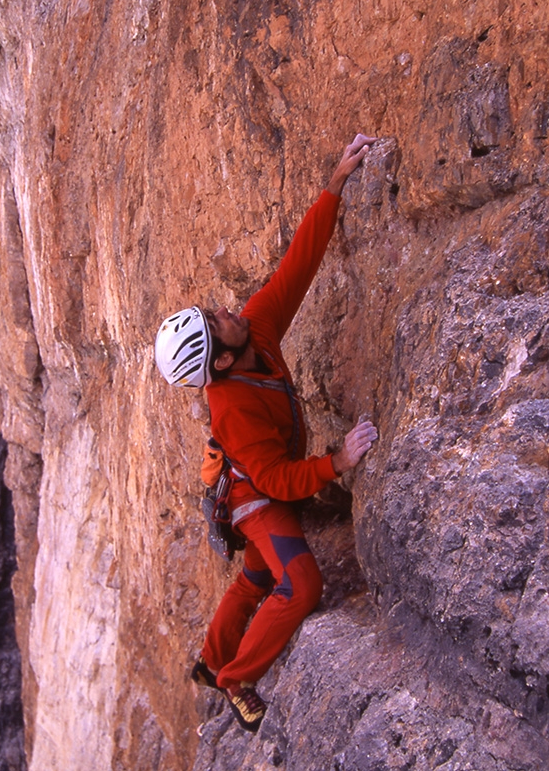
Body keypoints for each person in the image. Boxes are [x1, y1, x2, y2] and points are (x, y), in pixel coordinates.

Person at [155, 135, 379, 733]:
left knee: (257, 575)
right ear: (219, 363)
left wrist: (335, 181)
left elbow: (297, 267)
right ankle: (236, 678)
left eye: (215, 311)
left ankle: (209, 660)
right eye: (215, 321)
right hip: (254, 497)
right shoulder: (232, 408)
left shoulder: (254, 330)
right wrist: (337, 461)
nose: (227, 310)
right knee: (299, 583)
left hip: (252, 482)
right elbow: (277, 480)